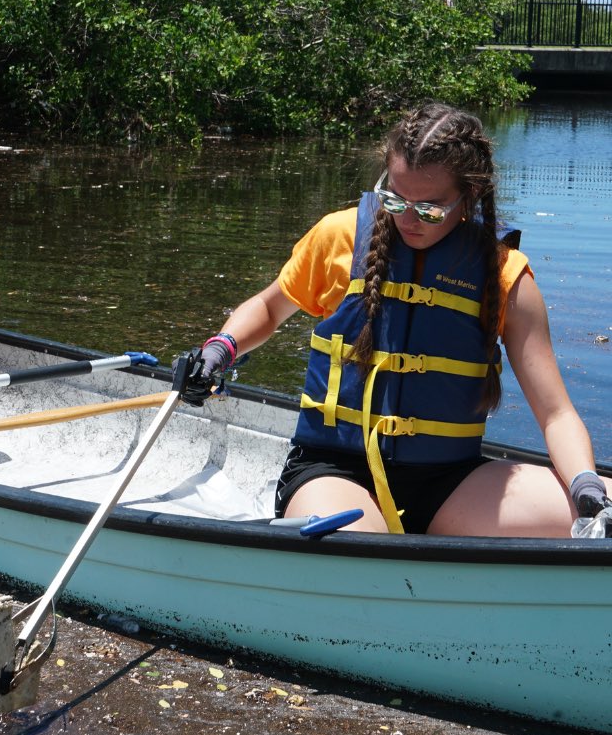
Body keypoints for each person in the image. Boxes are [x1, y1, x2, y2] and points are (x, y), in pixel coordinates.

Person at [177, 102, 610, 536]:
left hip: (451, 482)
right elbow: (270, 308)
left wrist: (587, 490)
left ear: (470, 196)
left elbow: (556, 415)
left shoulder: (506, 275)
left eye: (429, 210)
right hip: (335, 472)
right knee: (361, 544)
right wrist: (220, 349)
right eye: (394, 198)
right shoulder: (339, 237)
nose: (407, 218)